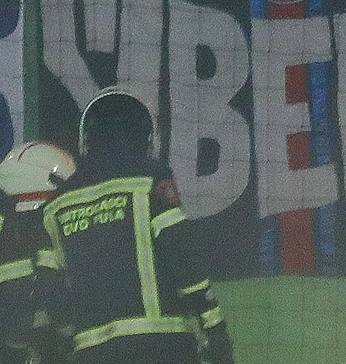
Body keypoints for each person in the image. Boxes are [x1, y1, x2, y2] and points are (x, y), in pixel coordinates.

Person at [36, 89, 234, 364]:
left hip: (91, 354)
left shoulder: (56, 204)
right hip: (163, 347)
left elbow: (50, 292)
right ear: (144, 137)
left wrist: (57, 345)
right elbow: (184, 258)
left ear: (87, 138)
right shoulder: (150, 178)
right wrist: (216, 332)